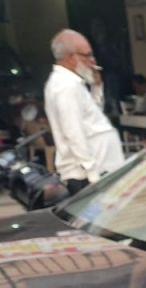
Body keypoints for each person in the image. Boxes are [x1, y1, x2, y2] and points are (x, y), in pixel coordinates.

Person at [43, 29, 124, 194]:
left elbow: (91, 117)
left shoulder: (73, 84)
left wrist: (97, 86)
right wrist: (92, 172)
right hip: (87, 176)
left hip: (98, 170)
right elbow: (73, 132)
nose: (92, 61)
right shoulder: (66, 86)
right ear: (72, 57)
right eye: (87, 55)